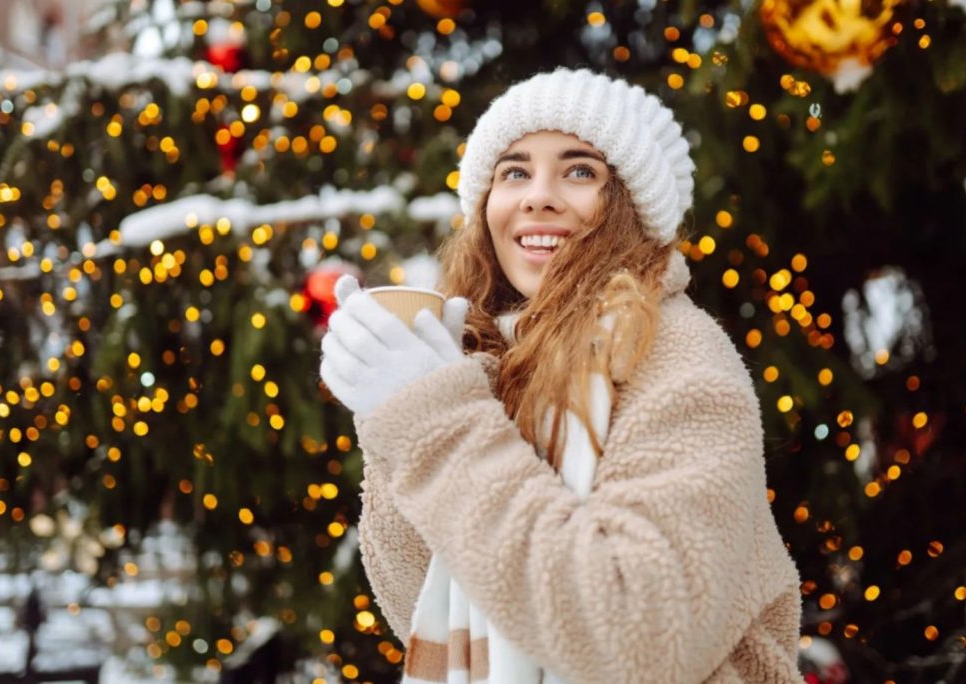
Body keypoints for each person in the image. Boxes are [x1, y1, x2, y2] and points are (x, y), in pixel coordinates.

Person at [320, 68, 803, 683]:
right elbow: (418, 604)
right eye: (514, 171)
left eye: (580, 171)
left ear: (630, 208)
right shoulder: (488, 366)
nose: (536, 195)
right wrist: (393, 418)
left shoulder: (675, 355)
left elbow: (640, 637)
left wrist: (436, 423)